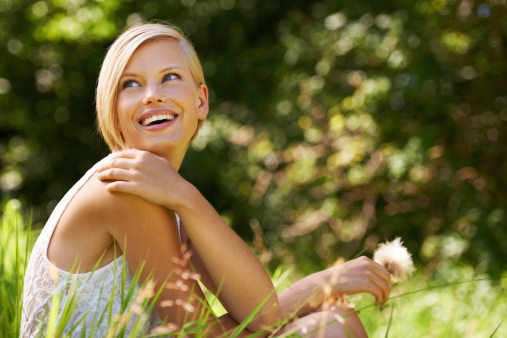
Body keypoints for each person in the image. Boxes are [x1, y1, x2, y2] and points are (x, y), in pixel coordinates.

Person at [20, 22, 391, 337]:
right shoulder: (122, 189)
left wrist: (186, 199)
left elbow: (259, 314)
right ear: (112, 112)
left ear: (200, 101)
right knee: (333, 325)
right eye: (130, 85)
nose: (152, 95)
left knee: (333, 320)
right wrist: (323, 285)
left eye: (170, 77)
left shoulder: (164, 195)